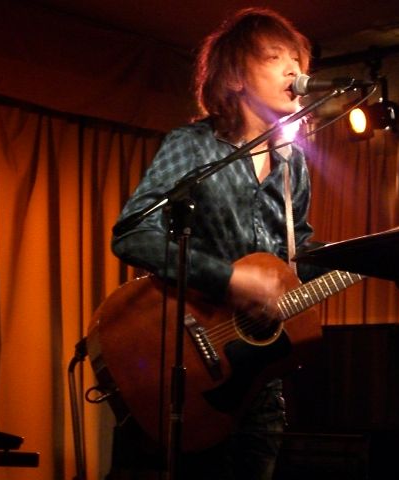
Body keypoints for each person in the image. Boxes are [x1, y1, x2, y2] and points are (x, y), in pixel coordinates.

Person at [110, 7, 328, 480]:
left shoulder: (293, 164)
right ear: (234, 77)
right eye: (276, 57)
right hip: (186, 367)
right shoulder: (194, 145)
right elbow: (132, 233)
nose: (294, 71)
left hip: (259, 386)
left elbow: (297, 256)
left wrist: (380, 256)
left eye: (298, 60)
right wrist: (227, 279)